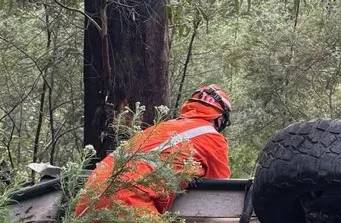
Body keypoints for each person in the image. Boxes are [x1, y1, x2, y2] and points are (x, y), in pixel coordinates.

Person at [74, 85, 231, 219]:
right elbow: (219, 191)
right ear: (220, 118)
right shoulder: (211, 137)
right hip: (127, 201)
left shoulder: (163, 127)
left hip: (88, 198)